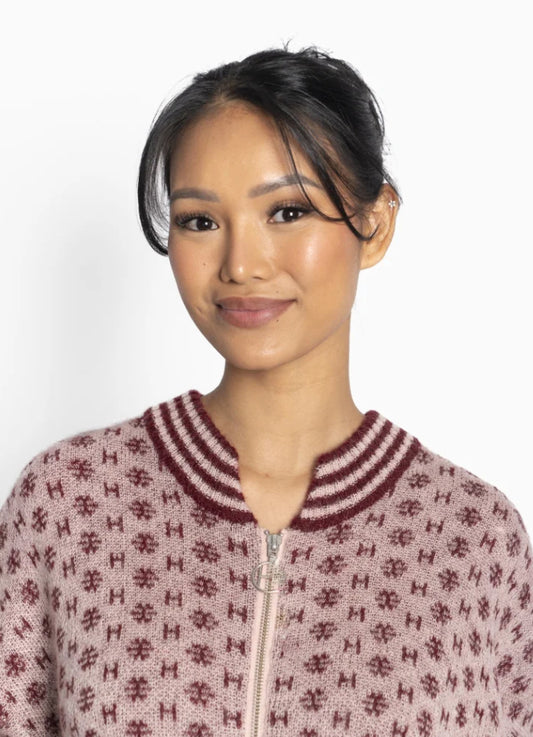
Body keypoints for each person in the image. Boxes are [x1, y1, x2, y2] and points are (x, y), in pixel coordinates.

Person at [1, 45, 532, 737]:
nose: (241, 264)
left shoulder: (472, 540)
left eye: (286, 211)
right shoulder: (68, 504)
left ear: (375, 223)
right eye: (200, 221)